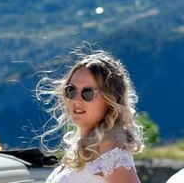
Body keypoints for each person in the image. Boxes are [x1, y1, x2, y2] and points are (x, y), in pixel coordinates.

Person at [37, 47, 144, 183]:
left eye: (87, 93)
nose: (76, 99)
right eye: (70, 90)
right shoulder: (81, 147)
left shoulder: (114, 156)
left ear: (109, 100)